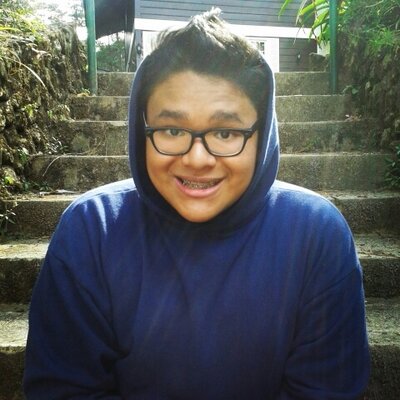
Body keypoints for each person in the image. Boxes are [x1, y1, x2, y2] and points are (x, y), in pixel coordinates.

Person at [24, 9, 370, 399]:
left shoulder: (316, 236)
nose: (197, 159)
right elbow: (64, 388)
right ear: (142, 129)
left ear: (262, 135)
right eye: (172, 130)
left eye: (225, 133)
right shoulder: (92, 230)